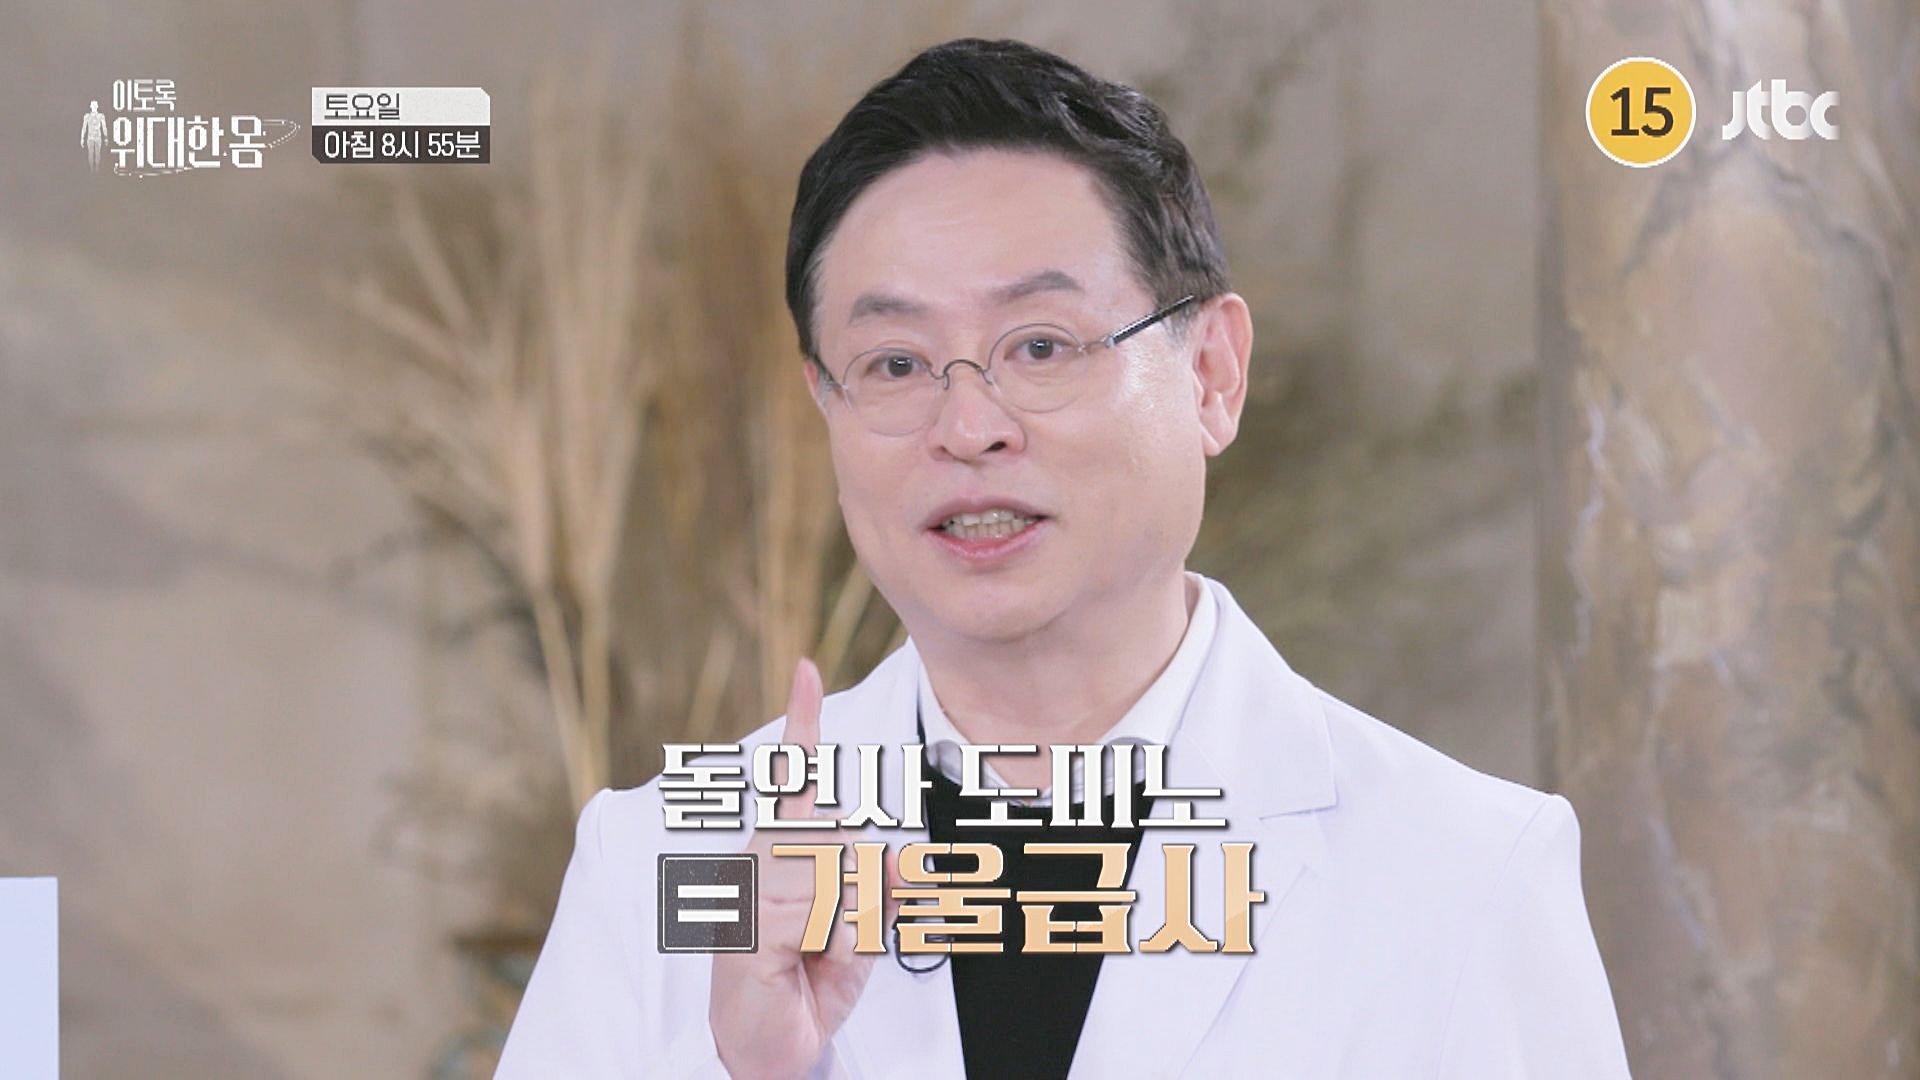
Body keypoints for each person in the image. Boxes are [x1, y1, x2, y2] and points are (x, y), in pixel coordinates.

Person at [497, 37, 1631, 1079]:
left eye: (1040, 346)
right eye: (894, 364)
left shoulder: (1464, 875)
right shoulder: (660, 860)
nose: (968, 427)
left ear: (1213, 375)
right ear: (824, 406)